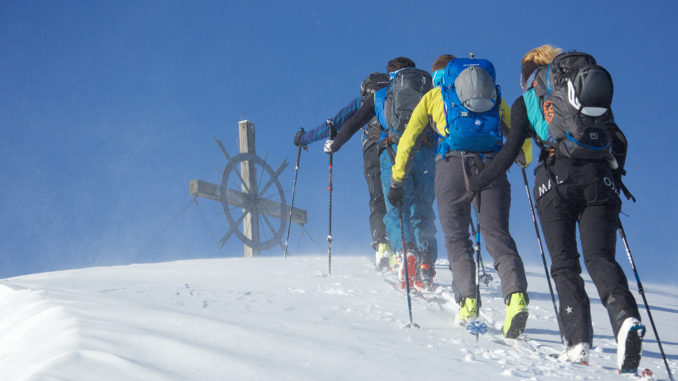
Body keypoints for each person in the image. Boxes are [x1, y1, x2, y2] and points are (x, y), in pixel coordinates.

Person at [470, 45, 645, 372]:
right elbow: (619, 141)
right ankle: (625, 319)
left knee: (565, 266)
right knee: (601, 258)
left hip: (555, 181)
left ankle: (577, 342)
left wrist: (480, 182)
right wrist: (615, 176)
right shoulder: (585, 91)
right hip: (600, 181)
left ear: (527, 74)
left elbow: (510, 151)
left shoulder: (527, 100)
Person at [387, 54, 531, 339]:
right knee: (496, 233)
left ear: (439, 75)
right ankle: (516, 297)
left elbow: (409, 139)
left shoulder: (433, 96)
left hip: (451, 166)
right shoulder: (490, 92)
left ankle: (468, 302)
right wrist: (523, 157)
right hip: (492, 164)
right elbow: (516, 128)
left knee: (456, 237)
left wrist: (397, 179)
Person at [327, 57, 438, 289]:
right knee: (424, 208)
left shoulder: (382, 95)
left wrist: (334, 145)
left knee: (397, 208)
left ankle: (406, 253)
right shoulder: (429, 92)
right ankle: (426, 260)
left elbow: (354, 122)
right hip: (427, 152)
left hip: (395, 154)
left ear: (391, 76)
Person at [293, 73, 394, 270]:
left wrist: (304, 138)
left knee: (377, 196)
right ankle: (410, 247)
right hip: (399, 148)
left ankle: (383, 245)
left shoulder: (364, 101)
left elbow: (334, 124)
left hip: (374, 149)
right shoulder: (396, 96)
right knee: (400, 195)